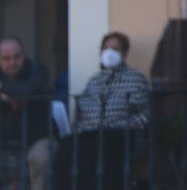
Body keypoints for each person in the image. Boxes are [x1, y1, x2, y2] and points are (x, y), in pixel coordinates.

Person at [61, 32, 150, 190]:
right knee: (65, 150)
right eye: (106, 48)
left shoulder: (136, 79)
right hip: (90, 137)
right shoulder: (94, 81)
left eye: (115, 49)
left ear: (124, 54)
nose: (109, 53)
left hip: (120, 138)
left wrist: (120, 126)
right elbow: (80, 114)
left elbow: (145, 115)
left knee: (100, 155)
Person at [0, 37, 55, 190]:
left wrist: (2, 88)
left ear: (24, 55)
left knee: (41, 158)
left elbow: (24, 93)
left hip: (40, 138)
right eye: (6, 59)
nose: (13, 62)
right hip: (5, 140)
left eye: (17, 57)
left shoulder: (38, 70)